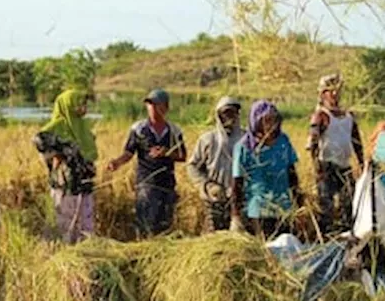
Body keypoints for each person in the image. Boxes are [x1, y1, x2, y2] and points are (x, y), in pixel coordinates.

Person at [106, 89, 187, 237]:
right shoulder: (139, 129)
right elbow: (129, 153)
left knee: (164, 224)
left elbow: (183, 156)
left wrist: (166, 153)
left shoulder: (174, 131)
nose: (152, 108)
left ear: (166, 107)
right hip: (146, 181)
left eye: (156, 105)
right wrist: (117, 162)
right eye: (150, 105)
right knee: (145, 222)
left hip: (167, 183)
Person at [33, 90, 99, 243]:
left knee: (85, 223)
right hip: (66, 183)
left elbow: (89, 152)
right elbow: (39, 140)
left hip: (85, 182)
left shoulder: (83, 126)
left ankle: (83, 254)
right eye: (80, 103)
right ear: (69, 104)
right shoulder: (59, 125)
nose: (84, 107)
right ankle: (62, 256)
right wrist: (63, 150)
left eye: (84, 103)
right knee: (64, 222)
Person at [232, 100, 302, 239]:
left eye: (274, 121)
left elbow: (291, 173)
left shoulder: (283, 142)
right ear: (256, 122)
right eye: (266, 121)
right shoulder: (244, 147)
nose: (271, 126)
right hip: (257, 209)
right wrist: (235, 215)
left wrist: (299, 206)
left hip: (283, 207)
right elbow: (237, 183)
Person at [307, 74, 363, 235]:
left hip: (344, 166)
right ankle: (325, 236)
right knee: (326, 204)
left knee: (349, 202)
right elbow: (312, 142)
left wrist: (360, 163)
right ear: (322, 94)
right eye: (329, 91)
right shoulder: (321, 115)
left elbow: (356, 141)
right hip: (327, 166)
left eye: (336, 91)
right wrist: (317, 167)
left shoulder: (348, 116)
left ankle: (347, 233)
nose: (333, 95)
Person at [186, 97, 245, 233]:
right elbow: (192, 166)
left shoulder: (246, 139)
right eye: (226, 113)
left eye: (233, 112)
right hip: (214, 198)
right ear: (219, 115)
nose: (230, 117)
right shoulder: (207, 139)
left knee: (238, 238)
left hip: (240, 198)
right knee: (214, 237)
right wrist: (207, 185)